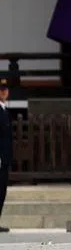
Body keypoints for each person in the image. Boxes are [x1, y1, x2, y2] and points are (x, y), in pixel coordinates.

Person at [0, 76, 12, 233]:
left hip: (4, 158)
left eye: (5, 90)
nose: (3, 92)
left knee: (2, 190)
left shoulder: (4, 109)